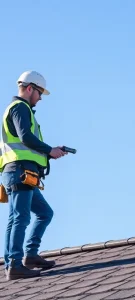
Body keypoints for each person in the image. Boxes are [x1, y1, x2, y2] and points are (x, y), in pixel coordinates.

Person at [0, 71, 67, 280]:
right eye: (39, 93)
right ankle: (14, 265)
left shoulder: (17, 109)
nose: (40, 98)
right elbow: (26, 138)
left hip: (19, 173)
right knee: (19, 218)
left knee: (44, 213)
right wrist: (49, 150)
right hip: (20, 172)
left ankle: (29, 256)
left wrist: (50, 151)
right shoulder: (21, 107)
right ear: (30, 88)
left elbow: (24, 143)